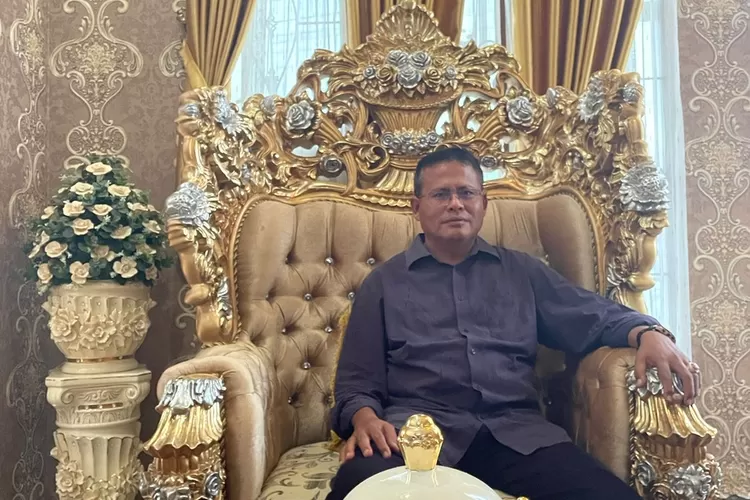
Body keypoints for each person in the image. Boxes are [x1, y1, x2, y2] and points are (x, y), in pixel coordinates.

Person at [327, 147, 699, 500]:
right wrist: (364, 418)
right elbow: (357, 381)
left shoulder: (522, 272)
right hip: (417, 436)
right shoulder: (384, 283)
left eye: (466, 193)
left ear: (483, 203)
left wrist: (648, 333)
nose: (456, 204)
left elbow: (591, 315)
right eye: (441, 194)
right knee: (358, 483)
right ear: (416, 207)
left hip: (517, 435)